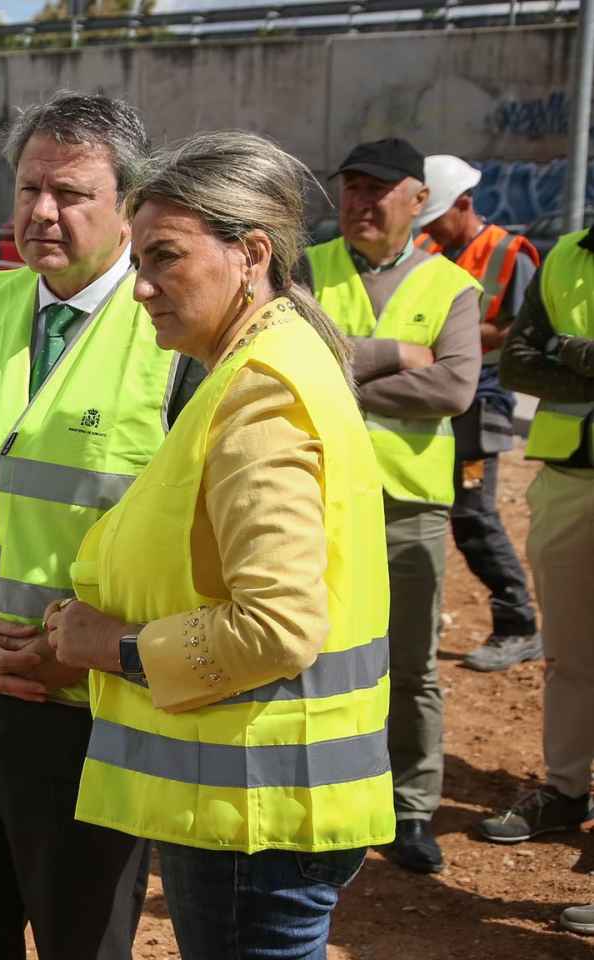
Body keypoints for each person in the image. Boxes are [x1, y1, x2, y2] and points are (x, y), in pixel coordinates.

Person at [0, 129, 393, 958]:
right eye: (140, 259)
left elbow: (276, 626)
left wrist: (113, 645)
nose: (142, 287)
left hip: (254, 805)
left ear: (251, 255)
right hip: (253, 794)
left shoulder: (262, 395)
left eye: (165, 257)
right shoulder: (257, 368)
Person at [0, 91, 202, 960]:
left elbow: (189, 542)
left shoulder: (173, 334)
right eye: (30, 187)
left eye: (72, 193)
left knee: (86, 942)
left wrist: (76, 651)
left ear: (128, 204)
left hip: (92, 710)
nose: (43, 212)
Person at [303, 137, 480, 875]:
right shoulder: (306, 266)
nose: (359, 203)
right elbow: (288, 354)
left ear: (418, 200)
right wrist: (399, 354)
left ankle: (410, 809)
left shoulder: (450, 288)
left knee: (409, 665)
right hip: (311, 491)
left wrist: (343, 369)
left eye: (377, 190)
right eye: (350, 188)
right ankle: (315, 793)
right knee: (308, 651)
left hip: (407, 504)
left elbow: (455, 389)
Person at [481, 226, 594, 935]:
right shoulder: (566, 256)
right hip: (565, 482)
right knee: (569, 655)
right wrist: (571, 354)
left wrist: (570, 352)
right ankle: (564, 788)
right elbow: (520, 362)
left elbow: (545, 353)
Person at [414, 154, 543, 672]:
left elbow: (523, 328)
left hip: (482, 399)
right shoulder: (425, 247)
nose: (429, 230)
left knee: (473, 513)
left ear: (464, 204)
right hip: (430, 394)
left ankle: (518, 624)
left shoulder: (511, 254)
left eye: (437, 217)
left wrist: (456, 338)